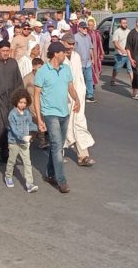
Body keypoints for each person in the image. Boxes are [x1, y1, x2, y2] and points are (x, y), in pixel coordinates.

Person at [33, 41, 80, 194]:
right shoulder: (42, 72)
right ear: (55, 54)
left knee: (57, 146)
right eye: (62, 52)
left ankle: (49, 173)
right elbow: (36, 96)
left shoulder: (66, 69)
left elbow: (70, 87)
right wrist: (39, 119)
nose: (65, 54)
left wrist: (77, 99)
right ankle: (61, 180)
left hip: (64, 113)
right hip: (50, 113)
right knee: (57, 145)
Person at [62, 32, 96, 167]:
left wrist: (80, 96)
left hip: (78, 96)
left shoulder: (76, 56)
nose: (71, 46)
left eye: (72, 44)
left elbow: (79, 78)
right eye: (69, 44)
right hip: (63, 98)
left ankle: (83, 156)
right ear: (63, 42)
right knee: (63, 126)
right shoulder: (57, 57)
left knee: (79, 123)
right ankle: (58, 154)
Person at [5, 88, 38, 193]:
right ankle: (8, 176)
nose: (23, 104)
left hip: (25, 143)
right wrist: (23, 137)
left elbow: (30, 124)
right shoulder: (12, 114)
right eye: (20, 102)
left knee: (27, 162)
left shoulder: (27, 113)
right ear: (16, 101)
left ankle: (29, 184)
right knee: (12, 161)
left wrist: (35, 130)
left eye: (25, 102)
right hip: (14, 142)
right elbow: (13, 129)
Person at [73, 21, 96, 102]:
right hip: (79, 63)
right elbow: (73, 50)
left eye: (86, 28)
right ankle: (77, 95)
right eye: (83, 28)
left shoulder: (88, 36)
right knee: (79, 80)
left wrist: (92, 58)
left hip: (88, 62)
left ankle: (90, 95)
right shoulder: (75, 37)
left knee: (89, 79)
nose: (85, 29)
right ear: (79, 28)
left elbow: (90, 48)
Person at [110, 17, 132, 86]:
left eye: (126, 23)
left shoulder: (129, 31)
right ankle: (113, 79)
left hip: (128, 54)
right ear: (120, 24)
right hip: (119, 54)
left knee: (130, 69)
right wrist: (122, 50)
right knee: (117, 68)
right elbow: (115, 43)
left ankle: (133, 83)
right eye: (123, 23)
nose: (125, 24)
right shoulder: (117, 32)